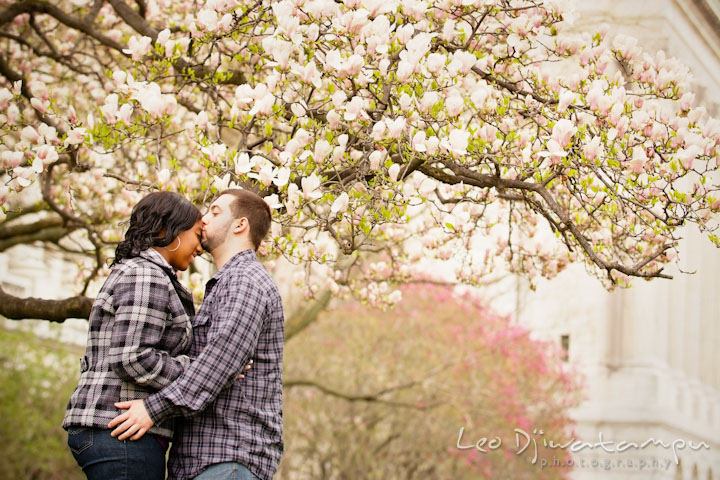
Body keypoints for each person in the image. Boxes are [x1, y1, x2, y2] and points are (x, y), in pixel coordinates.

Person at [109, 188, 285, 480]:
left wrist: (152, 410)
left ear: (240, 225)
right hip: (204, 460)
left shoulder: (246, 281)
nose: (203, 219)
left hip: (228, 455)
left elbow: (219, 364)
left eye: (215, 212)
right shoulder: (226, 284)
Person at [63, 191, 204, 480]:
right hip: (118, 431)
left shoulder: (144, 272)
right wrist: (197, 371)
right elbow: (133, 357)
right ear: (169, 231)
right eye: (197, 235)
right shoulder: (146, 275)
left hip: (115, 431)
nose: (200, 248)